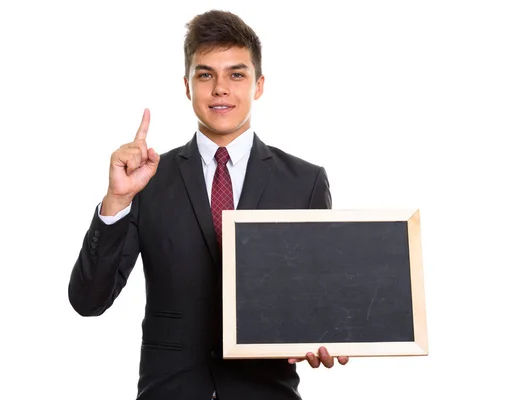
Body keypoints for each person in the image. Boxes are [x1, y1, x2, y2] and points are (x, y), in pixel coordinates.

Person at [68, 9, 348, 400]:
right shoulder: (146, 181)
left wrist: (327, 337)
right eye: (205, 75)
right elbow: (88, 301)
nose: (220, 88)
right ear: (187, 86)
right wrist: (117, 199)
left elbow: (321, 301)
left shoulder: (304, 182)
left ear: (259, 85)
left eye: (236, 74)